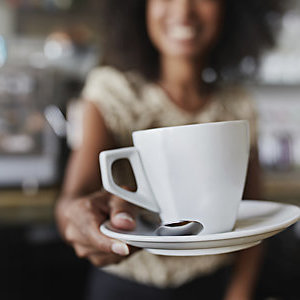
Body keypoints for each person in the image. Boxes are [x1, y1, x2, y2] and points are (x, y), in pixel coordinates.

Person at [55, 0, 284, 299]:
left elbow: (255, 213)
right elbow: (72, 199)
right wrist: (80, 220)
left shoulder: (238, 105)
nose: (183, 10)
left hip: (212, 285)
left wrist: (239, 292)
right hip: (124, 288)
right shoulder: (112, 93)